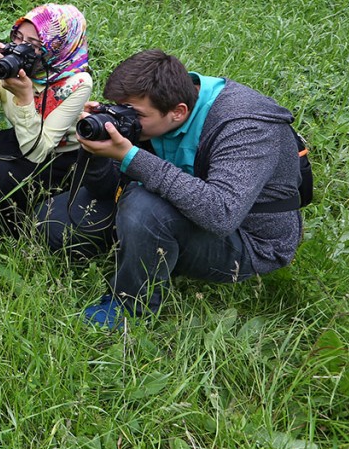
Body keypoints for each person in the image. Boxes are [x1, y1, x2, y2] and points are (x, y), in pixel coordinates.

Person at [35, 50, 304, 328]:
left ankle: (131, 307)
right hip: (176, 207)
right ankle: (144, 248)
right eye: (120, 108)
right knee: (54, 220)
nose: (128, 119)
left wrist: (132, 157)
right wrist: (97, 151)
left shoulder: (245, 127)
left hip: (248, 238)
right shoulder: (156, 109)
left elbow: (222, 214)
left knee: (144, 208)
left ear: (179, 112)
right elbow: (106, 188)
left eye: (135, 114)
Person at [0, 3, 92, 229]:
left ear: (57, 47)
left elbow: (38, 153)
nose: (19, 49)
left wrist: (25, 97)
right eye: (17, 37)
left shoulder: (77, 83)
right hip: (22, 136)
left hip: (57, 154)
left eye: (33, 45)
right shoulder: (10, 63)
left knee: (1, 183)